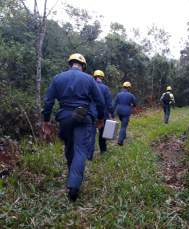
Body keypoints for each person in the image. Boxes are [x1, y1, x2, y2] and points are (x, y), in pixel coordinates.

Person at [41, 53, 105, 202]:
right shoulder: (89, 78)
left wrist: (46, 120)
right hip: (84, 117)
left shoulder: (58, 78)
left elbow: (49, 100)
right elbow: (100, 101)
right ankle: (74, 186)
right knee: (81, 149)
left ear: (69, 65)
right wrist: (100, 118)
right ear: (83, 66)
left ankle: (72, 175)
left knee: (69, 146)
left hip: (64, 117)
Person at [87, 70, 115, 159]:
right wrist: (112, 113)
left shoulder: (90, 86)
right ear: (102, 77)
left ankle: (89, 154)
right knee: (102, 133)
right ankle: (103, 149)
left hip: (91, 114)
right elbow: (109, 102)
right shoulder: (105, 88)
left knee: (91, 134)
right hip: (103, 114)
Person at [113, 82, 137, 146]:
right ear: (129, 88)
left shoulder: (118, 95)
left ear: (123, 87)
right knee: (123, 126)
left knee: (123, 123)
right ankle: (120, 141)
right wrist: (131, 104)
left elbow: (115, 104)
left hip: (119, 111)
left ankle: (123, 135)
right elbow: (135, 104)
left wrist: (112, 112)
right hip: (126, 111)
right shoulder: (131, 95)